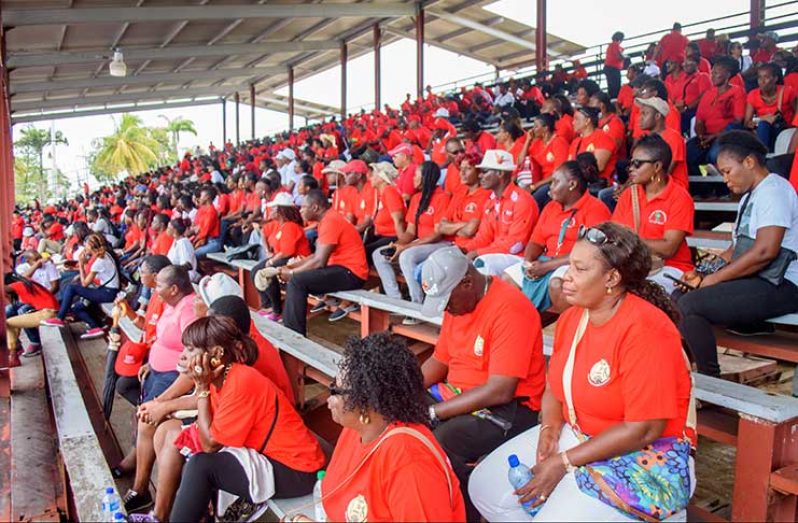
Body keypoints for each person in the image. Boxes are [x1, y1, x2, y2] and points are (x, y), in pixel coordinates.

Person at [469, 222, 695, 522]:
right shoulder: (572, 318)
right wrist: (549, 428)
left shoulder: (647, 329)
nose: (566, 277)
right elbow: (554, 388)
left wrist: (563, 462)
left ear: (612, 278)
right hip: (580, 435)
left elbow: (643, 430)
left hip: (646, 457)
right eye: (568, 266)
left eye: (579, 268)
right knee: (486, 488)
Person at [131, 316, 325, 522]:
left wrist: (203, 388)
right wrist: (171, 404)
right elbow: (206, 414)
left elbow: (210, 444)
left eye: (189, 349)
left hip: (296, 469)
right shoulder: (223, 375)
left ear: (216, 354)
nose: (183, 356)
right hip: (268, 455)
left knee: (201, 465)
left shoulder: (242, 381)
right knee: (186, 447)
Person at [420, 246, 546, 521]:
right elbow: (439, 360)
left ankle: (466, 514)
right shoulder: (459, 304)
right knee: (399, 413)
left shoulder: (511, 309)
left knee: (444, 440)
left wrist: (434, 413)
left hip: (511, 408)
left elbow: (500, 391)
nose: (446, 309)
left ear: (466, 282)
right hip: (458, 394)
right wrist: (403, 388)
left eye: (446, 301)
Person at [304, 333, 466, 522]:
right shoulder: (357, 429)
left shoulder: (410, 465)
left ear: (366, 404)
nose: (329, 400)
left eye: (336, 391)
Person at [678, 131, 798, 376]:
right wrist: (701, 273)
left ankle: (709, 380)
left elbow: (765, 251)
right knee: (678, 295)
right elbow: (735, 249)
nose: (725, 180)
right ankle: (686, 373)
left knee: (691, 305)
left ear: (749, 162)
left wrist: (714, 280)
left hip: (784, 283)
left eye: (727, 171)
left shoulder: (774, 190)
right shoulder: (749, 197)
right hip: (759, 280)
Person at [122, 265, 199, 513]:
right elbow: (161, 338)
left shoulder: (189, 309)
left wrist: (163, 402)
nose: (155, 288)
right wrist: (150, 361)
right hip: (158, 372)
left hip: (175, 378)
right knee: (146, 419)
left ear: (174, 289)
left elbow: (191, 361)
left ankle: (142, 489)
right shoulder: (170, 303)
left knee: (148, 421)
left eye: (160, 285)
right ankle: (142, 486)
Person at [504, 161, 610, 312]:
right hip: (546, 261)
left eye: (555, 182)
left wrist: (547, 267)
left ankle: (564, 327)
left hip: (576, 264)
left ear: (572, 184)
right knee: (508, 278)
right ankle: (523, 322)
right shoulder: (550, 207)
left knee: (557, 284)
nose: (550, 187)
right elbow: (536, 242)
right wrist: (528, 263)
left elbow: (589, 252)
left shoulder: (596, 209)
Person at [612, 134, 695, 294]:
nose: (631, 169)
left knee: (635, 294)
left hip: (671, 268)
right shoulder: (629, 195)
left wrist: (631, 240)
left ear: (657, 167)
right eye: (631, 163)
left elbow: (669, 248)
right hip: (633, 266)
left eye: (637, 164)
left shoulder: (679, 197)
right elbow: (615, 237)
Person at [280, 190, 368, 336]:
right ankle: (290, 329)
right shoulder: (327, 219)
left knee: (297, 281)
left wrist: (291, 273)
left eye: (303, 207)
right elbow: (316, 256)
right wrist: (290, 267)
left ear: (315, 207)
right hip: (341, 269)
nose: (300, 210)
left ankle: (293, 335)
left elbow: (319, 261)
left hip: (351, 273)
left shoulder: (331, 220)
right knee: (296, 280)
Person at [462, 150, 539, 276]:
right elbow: (483, 237)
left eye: (485, 171)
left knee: (482, 263)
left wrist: (478, 253)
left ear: (500, 173)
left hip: (519, 258)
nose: (480, 176)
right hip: (495, 255)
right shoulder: (490, 201)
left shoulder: (522, 200)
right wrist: (464, 249)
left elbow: (515, 245)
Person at [41, 233, 121, 340]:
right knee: (77, 307)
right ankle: (97, 327)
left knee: (71, 288)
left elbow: (84, 283)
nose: (84, 248)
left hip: (108, 293)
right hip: (107, 290)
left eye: (86, 245)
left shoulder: (99, 262)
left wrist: (81, 263)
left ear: (92, 247)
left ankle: (60, 318)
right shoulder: (106, 254)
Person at [250, 193, 311, 322]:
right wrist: (269, 253)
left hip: (297, 260)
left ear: (281, 211)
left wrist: (272, 260)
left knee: (268, 273)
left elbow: (288, 251)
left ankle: (277, 310)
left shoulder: (291, 226)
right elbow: (264, 233)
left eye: (273, 209)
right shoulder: (278, 225)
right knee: (255, 271)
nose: (270, 211)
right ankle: (268, 305)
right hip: (282, 258)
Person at [687, 56, 746, 176]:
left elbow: (738, 120)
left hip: (726, 136)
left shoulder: (737, 92)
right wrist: (701, 136)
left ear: (728, 74)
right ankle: (704, 189)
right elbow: (699, 121)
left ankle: (722, 189)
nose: (712, 75)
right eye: (712, 72)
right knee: (688, 153)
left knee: (714, 155)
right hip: (706, 136)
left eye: (716, 72)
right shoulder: (708, 94)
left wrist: (714, 136)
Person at [4, 272, 59, 364]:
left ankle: (17, 350)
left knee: (8, 323)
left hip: (48, 313)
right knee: (13, 313)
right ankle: (15, 351)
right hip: (48, 311)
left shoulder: (19, 284)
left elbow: (3, 289)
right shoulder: (27, 283)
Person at [637, 97, 689, 188]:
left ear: (657, 116)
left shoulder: (674, 138)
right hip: (652, 185)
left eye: (645, 114)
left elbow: (665, 172)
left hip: (672, 188)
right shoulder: (647, 139)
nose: (640, 118)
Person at [744, 62, 797, 151]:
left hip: (785, 133)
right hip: (764, 132)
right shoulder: (753, 95)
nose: (762, 81)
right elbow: (747, 123)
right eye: (759, 77)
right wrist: (762, 119)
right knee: (763, 125)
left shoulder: (787, 92)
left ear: (775, 78)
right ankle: (763, 154)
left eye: (766, 77)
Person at [525, 114, 570, 210]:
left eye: (536, 126)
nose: (532, 130)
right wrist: (528, 141)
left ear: (545, 128)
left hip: (555, 182)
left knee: (532, 201)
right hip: (540, 183)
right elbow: (520, 161)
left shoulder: (559, 142)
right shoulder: (537, 143)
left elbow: (558, 172)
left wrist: (535, 186)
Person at [604, 31, 626, 99]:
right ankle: (615, 100)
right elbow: (619, 56)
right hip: (613, 68)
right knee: (615, 87)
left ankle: (613, 99)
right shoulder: (615, 45)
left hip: (610, 67)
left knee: (612, 86)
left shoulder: (612, 45)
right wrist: (625, 57)